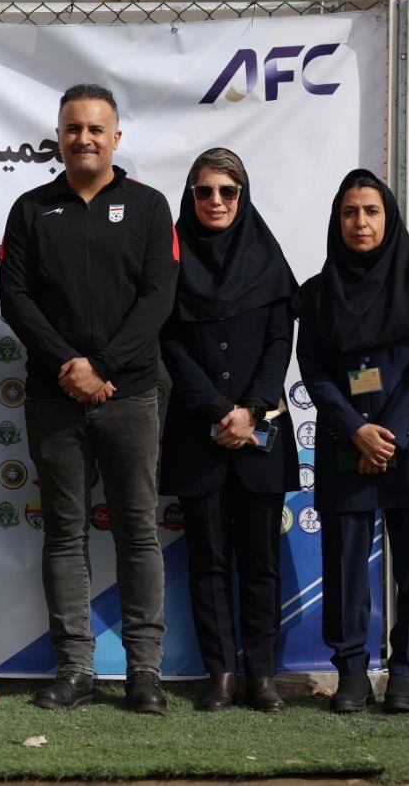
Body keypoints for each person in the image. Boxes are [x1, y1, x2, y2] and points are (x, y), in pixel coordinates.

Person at [0, 83, 178, 714]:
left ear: (116, 138)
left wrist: (101, 365)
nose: (84, 139)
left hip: (131, 395)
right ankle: (75, 669)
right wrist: (69, 366)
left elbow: (158, 298)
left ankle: (144, 673)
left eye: (96, 129)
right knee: (64, 534)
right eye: (73, 128)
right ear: (58, 136)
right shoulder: (30, 209)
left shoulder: (150, 207)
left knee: (137, 532)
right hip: (55, 397)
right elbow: (16, 300)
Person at [295, 168, 409, 714]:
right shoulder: (319, 294)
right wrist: (356, 430)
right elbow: (314, 369)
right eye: (350, 212)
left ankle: (406, 674)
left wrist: (386, 436)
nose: (361, 222)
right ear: (337, 220)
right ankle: (351, 672)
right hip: (345, 441)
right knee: (345, 563)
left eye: (371, 211)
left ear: (388, 219)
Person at [159, 148, 300, 712]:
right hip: (200, 433)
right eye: (204, 191)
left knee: (260, 561)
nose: (215, 201)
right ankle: (220, 674)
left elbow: (279, 342)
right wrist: (218, 410)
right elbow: (170, 342)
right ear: (190, 196)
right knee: (208, 561)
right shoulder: (170, 260)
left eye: (227, 191)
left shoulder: (268, 259)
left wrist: (253, 409)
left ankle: (261, 676)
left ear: (243, 196)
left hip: (261, 433)